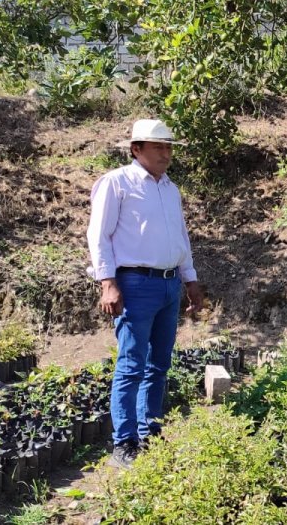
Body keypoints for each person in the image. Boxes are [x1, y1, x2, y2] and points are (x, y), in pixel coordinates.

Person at [86, 119, 207, 469]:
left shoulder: (170, 188)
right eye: (159, 147)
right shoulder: (117, 183)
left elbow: (180, 237)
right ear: (136, 149)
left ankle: (150, 431)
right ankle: (124, 442)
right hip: (135, 284)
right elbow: (99, 236)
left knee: (159, 364)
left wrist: (190, 280)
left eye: (169, 148)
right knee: (131, 364)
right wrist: (107, 282)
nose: (166, 154)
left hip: (169, 284)